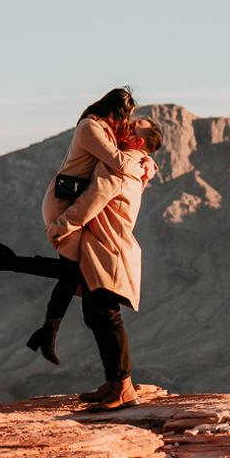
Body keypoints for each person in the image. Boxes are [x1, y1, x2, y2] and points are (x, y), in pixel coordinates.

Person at [0, 87, 150, 365]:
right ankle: (14, 273)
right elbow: (119, 163)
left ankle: (44, 328)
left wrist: (145, 159)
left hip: (70, 203)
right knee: (71, 272)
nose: (127, 124)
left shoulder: (105, 131)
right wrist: (143, 164)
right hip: (62, 205)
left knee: (73, 272)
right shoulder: (91, 128)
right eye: (126, 118)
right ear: (112, 113)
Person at [46, 120, 162, 411]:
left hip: (108, 253)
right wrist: (147, 160)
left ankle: (123, 388)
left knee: (107, 317)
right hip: (105, 251)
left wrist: (60, 227)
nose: (127, 126)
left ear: (137, 143)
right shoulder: (132, 163)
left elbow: (91, 202)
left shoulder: (119, 169)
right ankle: (114, 382)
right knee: (96, 316)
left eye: (134, 128)